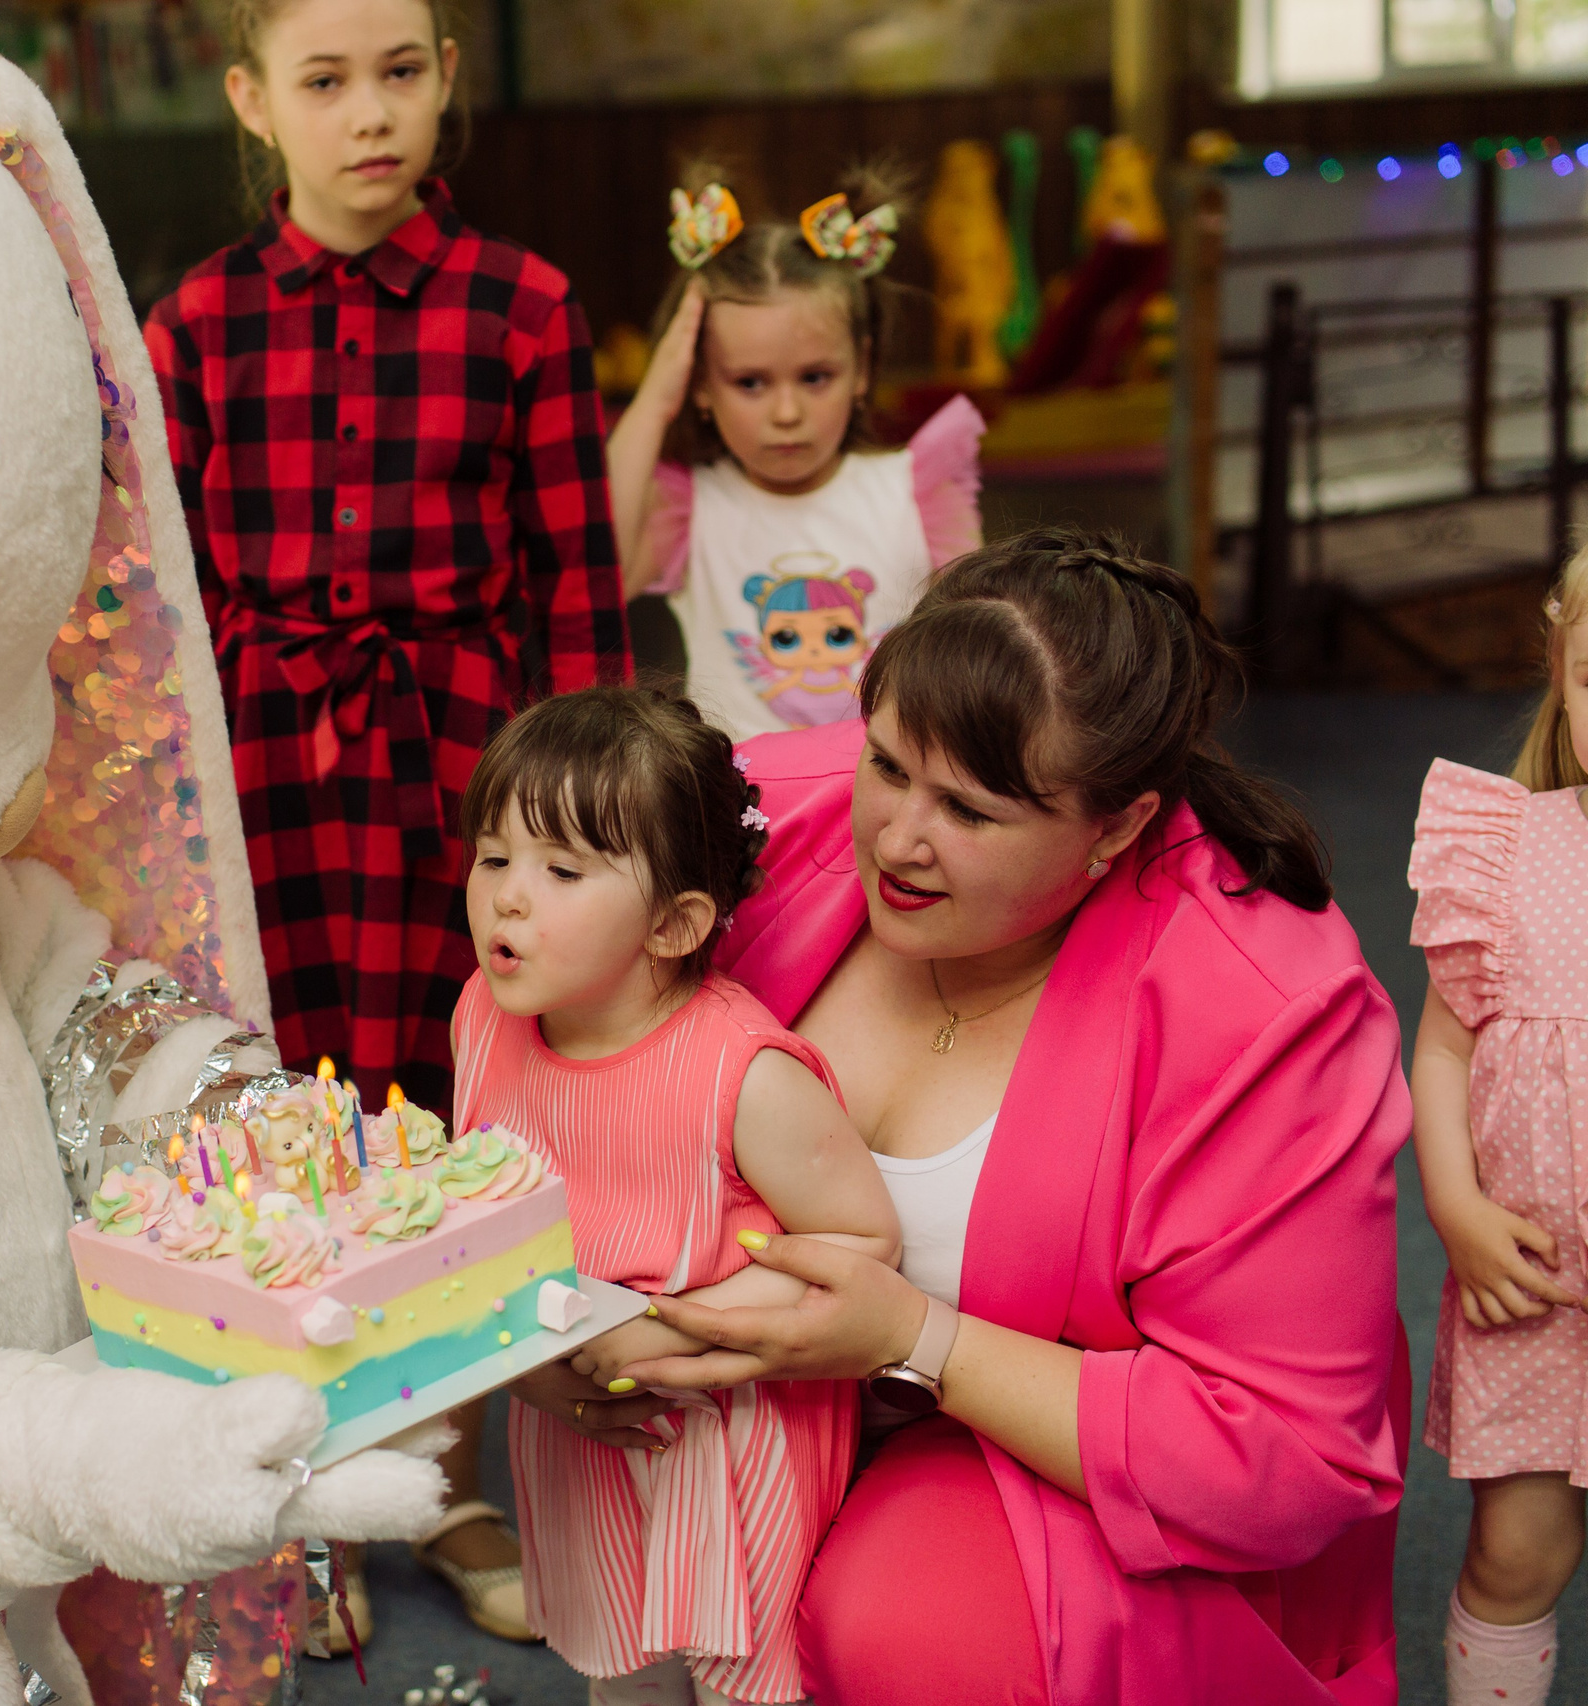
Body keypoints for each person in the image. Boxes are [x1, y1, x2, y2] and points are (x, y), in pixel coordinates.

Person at [518, 529, 1411, 1703]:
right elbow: (533, 1054)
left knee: (907, 1623)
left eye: (973, 813)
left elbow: (1289, 1458)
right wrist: (529, 1340)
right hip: (758, 1433)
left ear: (1119, 826)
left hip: (1049, 1477)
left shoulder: (1266, 1009)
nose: (896, 837)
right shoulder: (748, 826)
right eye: (885, 763)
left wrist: (915, 1338)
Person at [145, 0, 629, 1643]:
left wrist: (598, 830)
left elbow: (578, 589)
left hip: (464, 773)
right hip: (270, 770)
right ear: (252, 101)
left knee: (462, 1120)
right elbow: (161, 614)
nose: (373, 114)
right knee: (286, 1130)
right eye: (326, 79)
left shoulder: (524, 306)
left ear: (446, 83)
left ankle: (444, 1468)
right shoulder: (196, 324)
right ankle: (309, 1494)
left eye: (403, 72)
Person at [462, 687, 898, 1704]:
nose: (507, 897)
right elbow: (479, 1217)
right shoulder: (480, 1018)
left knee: (747, 1683)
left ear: (672, 924)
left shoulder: (739, 1072)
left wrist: (664, 1327)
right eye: (493, 857)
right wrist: (527, 1372)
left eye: (561, 869)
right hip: (581, 1423)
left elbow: (863, 1242)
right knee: (621, 1669)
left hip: (726, 1433)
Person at [603, 164, 984, 741]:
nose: (786, 414)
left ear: (862, 367)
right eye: (750, 383)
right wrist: (656, 398)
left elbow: (977, 646)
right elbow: (593, 563)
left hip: (883, 809)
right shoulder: (691, 507)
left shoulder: (917, 490)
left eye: (815, 377)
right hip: (741, 817)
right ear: (700, 383)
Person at [1409, 549, 1588, 1706]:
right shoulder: (1509, 845)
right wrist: (1456, 1206)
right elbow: (1443, 1046)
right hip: (1534, 1288)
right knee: (1517, 1552)